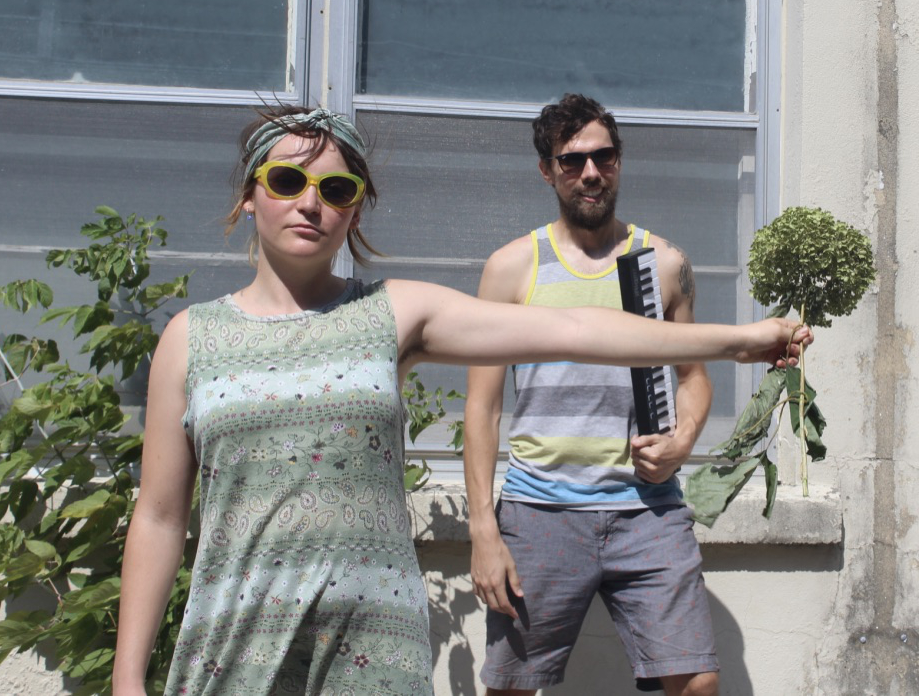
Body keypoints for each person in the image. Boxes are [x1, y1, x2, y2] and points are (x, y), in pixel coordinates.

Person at [112, 104, 811, 696]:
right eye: (287, 179)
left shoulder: (392, 312)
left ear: (355, 208)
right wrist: (126, 679)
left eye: (338, 187)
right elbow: (160, 515)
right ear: (249, 194)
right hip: (236, 638)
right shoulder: (191, 338)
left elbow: (573, 326)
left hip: (370, 645)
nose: (311, 201)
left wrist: (738, 339)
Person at [465, 93, 746, 696]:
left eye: (604, 157)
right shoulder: (513, 268)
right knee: (511, 688)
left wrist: (682, 443)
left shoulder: (664, 263)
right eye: (572, 161)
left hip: (647, 510)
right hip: (539, 510)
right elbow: (482, 408)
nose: (591, 172)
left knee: (696, 682)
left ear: (618, 162)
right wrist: (484, 530)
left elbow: (694, 376)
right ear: (547, 170)